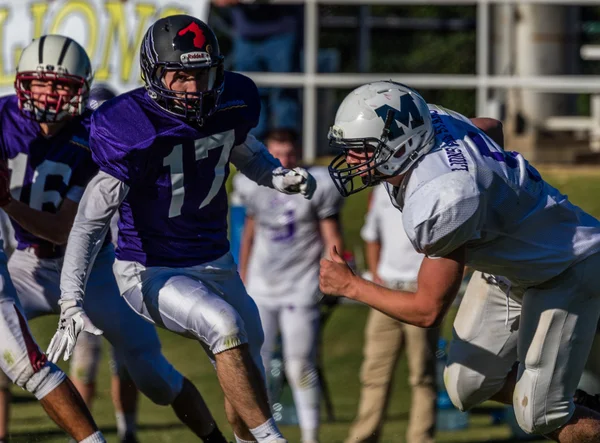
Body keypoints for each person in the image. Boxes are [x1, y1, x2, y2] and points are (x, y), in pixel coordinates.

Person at [46, 15, 316, 443]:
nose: (193, 88)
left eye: (201, 75)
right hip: (150, 269)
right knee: (224, 325)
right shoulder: (129, 125)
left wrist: (275, 176)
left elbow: (245, 150)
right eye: (180, 76)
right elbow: (90, 222)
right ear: (155, 75)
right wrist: (70, 299)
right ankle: (273, 440)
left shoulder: (230, 101)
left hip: (216, 260)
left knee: (248, 366)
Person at [319, 80, 600, 442]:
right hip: (512, 265)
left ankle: (558, 404)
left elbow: (426, 310)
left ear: (400, 145)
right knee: (467, 384)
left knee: (539, 416)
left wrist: (351, 286)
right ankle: (574, 402)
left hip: (566, 265)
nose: (352, 160)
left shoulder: (445, 197)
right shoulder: (430, 121)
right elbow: (487, 127)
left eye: (362, 150)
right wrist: (499, 196)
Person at [0, 34, 226, 443]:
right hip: (25, 263)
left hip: (90, 269)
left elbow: (62, 228)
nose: (49, 95)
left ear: (82, 89)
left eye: (60, 85)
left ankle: (214, 438)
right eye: (40, 83)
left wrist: (8, 204)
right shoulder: (3, 117)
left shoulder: (97, 134)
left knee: (153, 375)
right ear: (21, 84)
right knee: (9, 352)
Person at [235, 128, 343, 443]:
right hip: (262, 286)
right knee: (258, 365)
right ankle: (263, 435)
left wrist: (334, 275)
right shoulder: (252, 183)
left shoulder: (318, 185)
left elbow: (331, 235)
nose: (285, 161)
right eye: (277, 154)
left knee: (300, 366)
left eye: (290, 154)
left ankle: (311, 437)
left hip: (301, 286)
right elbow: (250, 232)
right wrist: (242, 276)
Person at [345, 183, 438, 443]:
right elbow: (371, 235)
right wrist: (376, 274)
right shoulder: (381, 191)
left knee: (422, 374)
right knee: (374, 372)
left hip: (419, 292)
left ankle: (420, 439)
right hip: (387, 291)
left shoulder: (432, 186)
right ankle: (363, 437)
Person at [212, 0, 302, 139]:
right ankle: (253, 145)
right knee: (249, 94)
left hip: (282, 30)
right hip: (245, 34)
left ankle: (285, 150)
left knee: (284, 93)